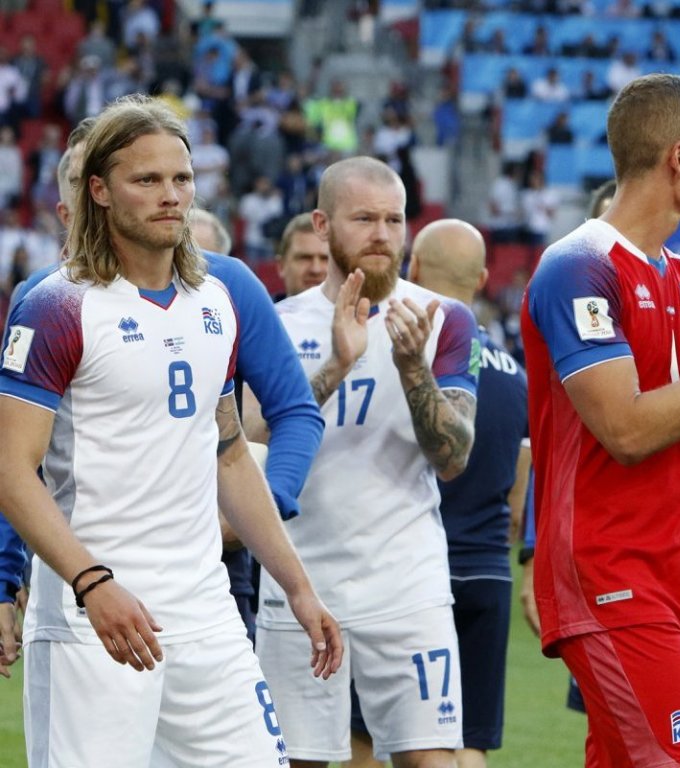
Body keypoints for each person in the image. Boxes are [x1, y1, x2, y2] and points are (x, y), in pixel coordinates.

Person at [0, 95, 342, 766]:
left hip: (206, 612)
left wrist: (297, 585)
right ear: (98, 190)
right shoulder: (56, 305)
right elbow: (11, 469)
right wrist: (92, 583)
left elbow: (229, 452)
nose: (171, 195)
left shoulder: (217, 296)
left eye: (181, 178)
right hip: (92, 621)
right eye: (147, 179)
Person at [521, 73, 680, 768]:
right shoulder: (577, 267)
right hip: (610, 574)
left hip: (679, 577)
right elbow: (626, 431)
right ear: (679, 156)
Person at [255, 156, 480, 768]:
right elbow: (249, 446)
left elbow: (454, 456)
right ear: (322, 225)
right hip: (299, 581)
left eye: (394, 219)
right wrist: (336, 366)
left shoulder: (444, 319)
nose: (382, 234)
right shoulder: (278, 323)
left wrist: (412, 369)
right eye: (363, 219)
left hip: (406, 583)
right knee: (296, 760)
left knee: (431, 759)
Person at [346, 219, 530, 768]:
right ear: (482, 278)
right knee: (466, 742)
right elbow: (520, 500)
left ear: (415, 268)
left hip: (406, 571)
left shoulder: (385, 354)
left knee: (366, 737)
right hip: (486, 571)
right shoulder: (514, 374)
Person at [273, 211, 330, 300]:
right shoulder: (260, 309)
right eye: (305, 258)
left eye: (325, 259)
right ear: (281, 266)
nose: (316, 269)